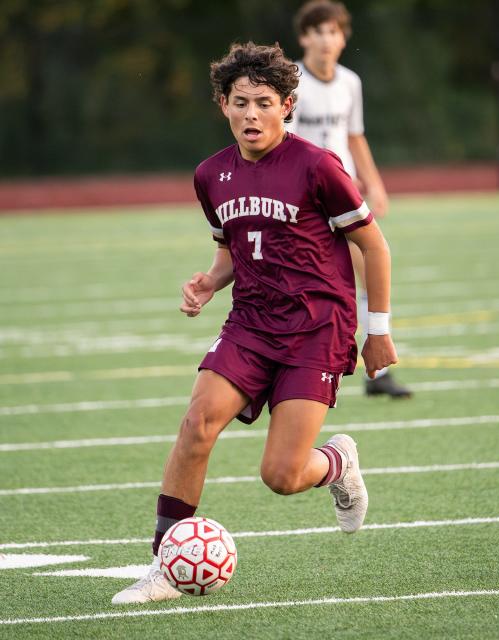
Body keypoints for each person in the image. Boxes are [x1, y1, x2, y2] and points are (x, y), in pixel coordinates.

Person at [112, 41, 398, 605]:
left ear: (288, 105)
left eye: (263, 102)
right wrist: (207, 282)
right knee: (196, 425)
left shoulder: (319, 167)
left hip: (317, 327)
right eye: (239, 102)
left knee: (283, 475)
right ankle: (164, 565)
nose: (251, 114)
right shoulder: (210, 175)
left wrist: (378, 329)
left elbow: (375, 245)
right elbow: (232, 250)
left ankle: (336, 462)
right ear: (222, 104)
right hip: (251, 322)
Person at [287, 0, 411, 399]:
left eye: (333, 31)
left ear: (344, 38)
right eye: (318, 31)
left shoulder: (349, 82)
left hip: (340, 195)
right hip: (300, 199)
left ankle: (377, 372)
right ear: (304, 37)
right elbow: (282, 140)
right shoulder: (291, 81)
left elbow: (354, 136)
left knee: (367, 272)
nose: (326, 39)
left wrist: (374, 183)